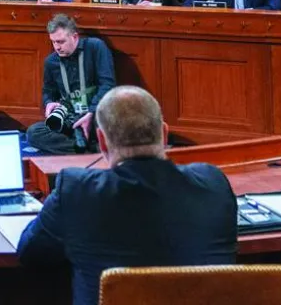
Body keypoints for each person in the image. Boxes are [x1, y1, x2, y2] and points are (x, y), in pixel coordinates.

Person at [17, 86, 237, 305]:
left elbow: (30, 252)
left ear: (101, 141)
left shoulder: (75, 190)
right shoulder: (213, 184)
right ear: (164, 134)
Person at [24, 14, 117, 154]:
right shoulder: (51, 62)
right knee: (33, 133)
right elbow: (47, 92)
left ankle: (86, 145)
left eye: (61, 42)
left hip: (96, 113)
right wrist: (49, 103)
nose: (57, 47)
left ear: (74, 37)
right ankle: (86, 149)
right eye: (53, 42)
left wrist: (91, 112)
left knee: (110, 126)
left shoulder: (95, 47)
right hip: (70, 116)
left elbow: (108, 84)